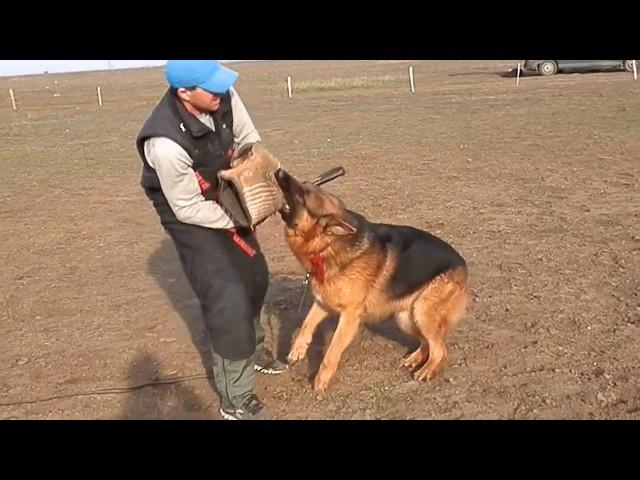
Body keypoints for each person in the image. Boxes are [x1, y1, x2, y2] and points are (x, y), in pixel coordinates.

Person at [135, 60, 287, 420]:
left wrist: (262, 181)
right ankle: (236, 398)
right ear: (184, 93)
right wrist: (239, 218)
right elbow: (187, 207)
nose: (220, 92)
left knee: (255, 276)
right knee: (227, 298)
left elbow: (249, 140)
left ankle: (253, 350)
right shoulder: (165, 143)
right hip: (187, 215)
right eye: (210, 87)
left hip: (225, 191)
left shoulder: (222, 96)